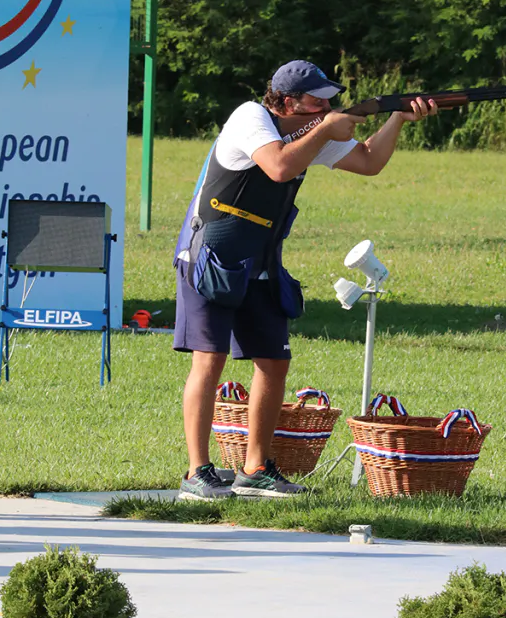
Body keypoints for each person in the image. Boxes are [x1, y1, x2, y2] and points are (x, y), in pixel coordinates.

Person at [173, 59, 437, 500]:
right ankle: (197, 472)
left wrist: (396, 119)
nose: (327, 108)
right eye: (317, 101)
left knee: (273, 362)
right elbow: (278, 166)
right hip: (211, 258)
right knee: (209, 360)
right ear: (286, 101)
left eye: (329, 101)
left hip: (260, 262)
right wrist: (326, 129)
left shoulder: (313, 131)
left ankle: (255, 469)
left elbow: (369, 161)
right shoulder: (250, 117)